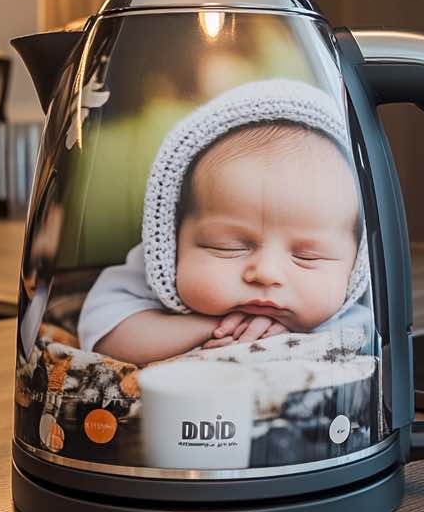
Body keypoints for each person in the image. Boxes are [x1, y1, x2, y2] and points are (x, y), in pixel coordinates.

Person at [78, 79, 372, 365]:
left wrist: (294, 340)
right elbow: (104, 334)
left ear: (355, 263)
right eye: (227, 247)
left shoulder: (355, 325)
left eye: (307, 256)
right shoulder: (153, 271)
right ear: (171, 238)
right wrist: (211, 327)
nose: (265, 273)